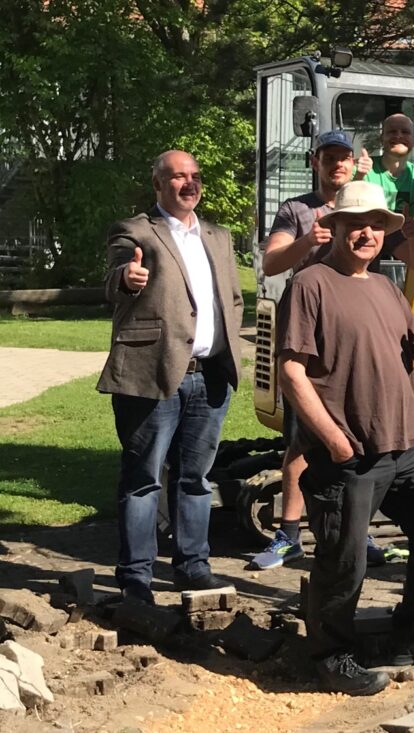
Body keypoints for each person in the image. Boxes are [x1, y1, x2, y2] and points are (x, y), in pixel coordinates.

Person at [277, 181, 414, 696]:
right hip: (350, 452)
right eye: (355, 223)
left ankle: (413, 626)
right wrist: (334, 442)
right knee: (345, 558)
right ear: (336, 228)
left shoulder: (386, 288)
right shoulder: (312, 283)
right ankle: (332, 653)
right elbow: (292, 372)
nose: (366, 232)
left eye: (375, 225)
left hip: (404, 446)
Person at [97, 150, 243, 604]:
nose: (189, 184)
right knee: (143, 478)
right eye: (178, 177)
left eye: (195, 176)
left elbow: (233, 299)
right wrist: (128, 277)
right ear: (158, 183)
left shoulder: (219, 237)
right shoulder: (137, 231)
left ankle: (192, 566)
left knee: (195, 478)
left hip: (210, 377)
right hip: (154, 376)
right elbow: (114, 278)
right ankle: (136, 576)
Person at [252, 129, 370, 570]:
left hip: (353, 335)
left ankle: (358, 532)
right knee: (302, 438)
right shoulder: (296, 209)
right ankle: (288, 535)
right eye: (329, 157)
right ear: (315, 161)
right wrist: (310, 240)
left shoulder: (367, 206)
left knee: (360, 433)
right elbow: (271, 261)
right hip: (306, 335)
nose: (337, 164)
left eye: (344, 158)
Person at [353, 113, 414, 272]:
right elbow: (344, 202)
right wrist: (359, 176)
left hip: (402, 238)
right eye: (392, 132)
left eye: (405, 132)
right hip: (366, 236)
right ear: (382, 139)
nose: (398, 136)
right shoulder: (362, 170)